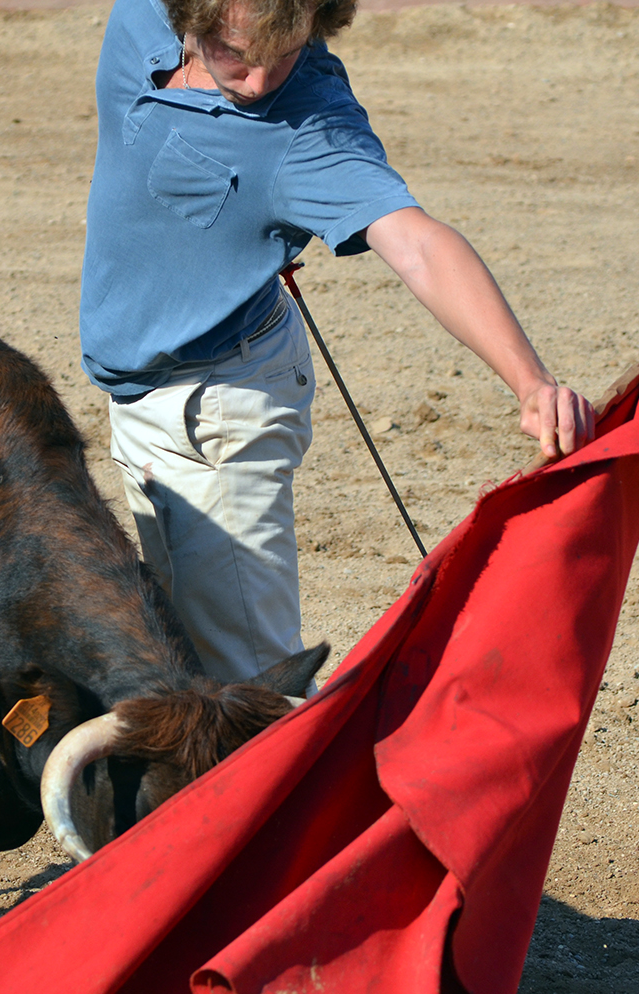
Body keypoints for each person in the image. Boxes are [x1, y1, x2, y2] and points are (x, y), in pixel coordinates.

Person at [79, 0, 595, 684]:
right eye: (237, 52)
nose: (262, 81)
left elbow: (418, 246)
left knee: (252, 683)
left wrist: (531, 381)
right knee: (177, 663)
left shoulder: (313, 127)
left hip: (220, 416)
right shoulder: (141, 16)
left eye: (285, 52)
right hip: (144, 403)